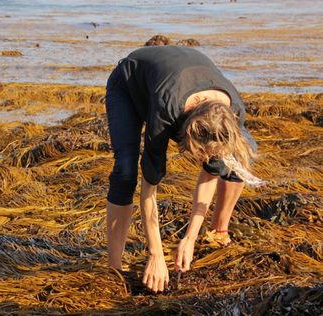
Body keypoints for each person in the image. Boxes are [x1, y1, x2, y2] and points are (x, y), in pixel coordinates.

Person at [105, 45, 262, 293]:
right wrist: (155, 254)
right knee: (125, 172)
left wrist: (190, 238)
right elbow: (149, 189)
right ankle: (114, 269)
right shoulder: (167, 110)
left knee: (237, 162)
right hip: (129, 83)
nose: (204, 158)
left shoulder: (234, 113)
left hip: (180, 76)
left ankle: (218, 230)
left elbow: (211, 173)